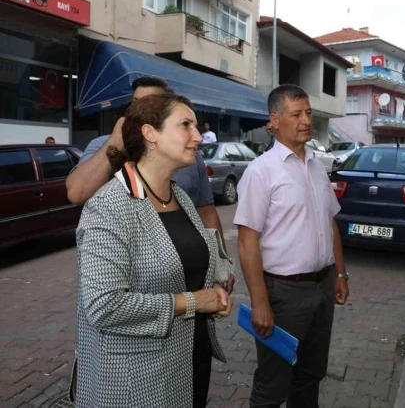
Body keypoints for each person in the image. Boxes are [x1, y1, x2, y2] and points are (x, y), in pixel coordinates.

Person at [73, 94, 234, 408]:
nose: (198, 136)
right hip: (134, 380)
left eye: (197, 126)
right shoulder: (108, 206)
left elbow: (181, 266)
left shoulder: (179, 197)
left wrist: (213, 289)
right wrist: (194, 301)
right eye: (185, 125)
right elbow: (104, 306)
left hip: (186, 361)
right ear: (150, 134)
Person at [234, 84, 350, 407]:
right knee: (272, 386)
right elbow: (246, 242)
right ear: (274, 120)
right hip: (283, 294)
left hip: (322, 288)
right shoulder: (261, 172)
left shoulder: (315, 165)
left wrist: (340, 275)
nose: (306, 120)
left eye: (309, 113)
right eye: (296, 114)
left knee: (309, 377)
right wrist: (260, 302)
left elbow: (331, 223)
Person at [65, 77, 228, 264]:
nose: (139, 109)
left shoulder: (188, 160)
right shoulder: (104, 152)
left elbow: (206, 211)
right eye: (135, 103)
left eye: (149, 104)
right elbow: (77, 193)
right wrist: (118, 140)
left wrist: (220, 264)